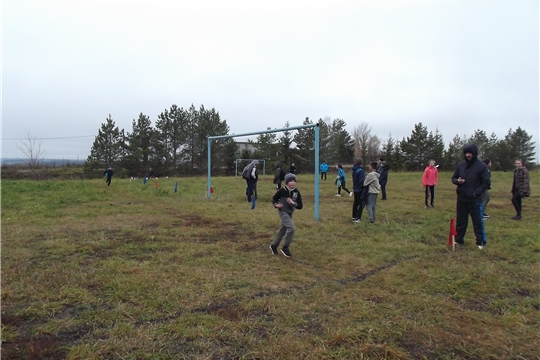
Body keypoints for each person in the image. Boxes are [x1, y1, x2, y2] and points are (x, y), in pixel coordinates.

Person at [451, 143, 490, 249]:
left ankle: (480, 242)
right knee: (461, 222)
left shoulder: (481, 166)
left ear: (474, 154)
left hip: (475, 200)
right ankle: (459, 240)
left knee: (478, 222)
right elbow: (453, 178)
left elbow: (486, 183)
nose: (468, 155)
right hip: (462, 198)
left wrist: (475, 193)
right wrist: (457, 181)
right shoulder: (461, 165)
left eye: (470, 153)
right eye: (466, 153)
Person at [270, 173, 303, 258]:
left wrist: (293, 203)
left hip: (290, 212)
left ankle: (274, 246)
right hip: (282, 211)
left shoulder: (296, 192)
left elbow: (300, 206)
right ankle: (285, 247)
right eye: (290, 181)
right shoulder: (282, 190)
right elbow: (274, 199)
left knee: (283, 230)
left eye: (294, 181)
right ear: (286, 182)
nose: (293, 183)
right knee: (291, 228)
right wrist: (276, 205)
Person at [351, 158, 366, 223]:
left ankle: (354, 216)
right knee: (361, 203)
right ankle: (358, 217)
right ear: (361, 163)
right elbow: (362, 180)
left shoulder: (354, 170)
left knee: (355, 202)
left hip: (355, 188)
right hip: (360, 189)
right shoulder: (360, 171)